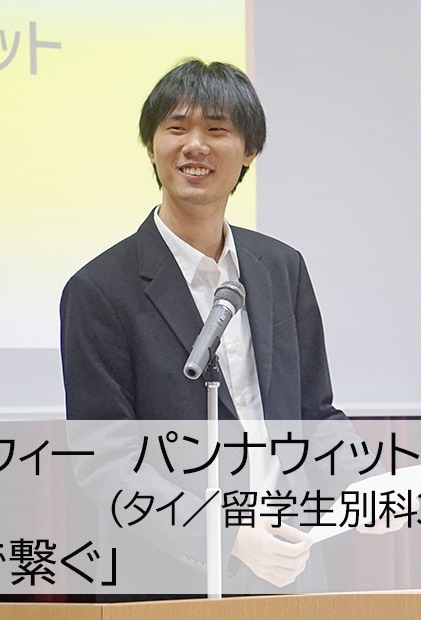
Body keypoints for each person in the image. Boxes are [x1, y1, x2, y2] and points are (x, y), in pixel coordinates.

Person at [60, 59, 361, 596]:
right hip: (166, 580)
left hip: (289, 567)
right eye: (176, 128)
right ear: (150, 146)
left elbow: (314, 413)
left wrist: (367, 485)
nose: (194, 145)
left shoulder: (282, 268)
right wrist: (227, 537)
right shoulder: (99, 290)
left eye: (217, 130)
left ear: (249, 151)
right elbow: (106, 461)